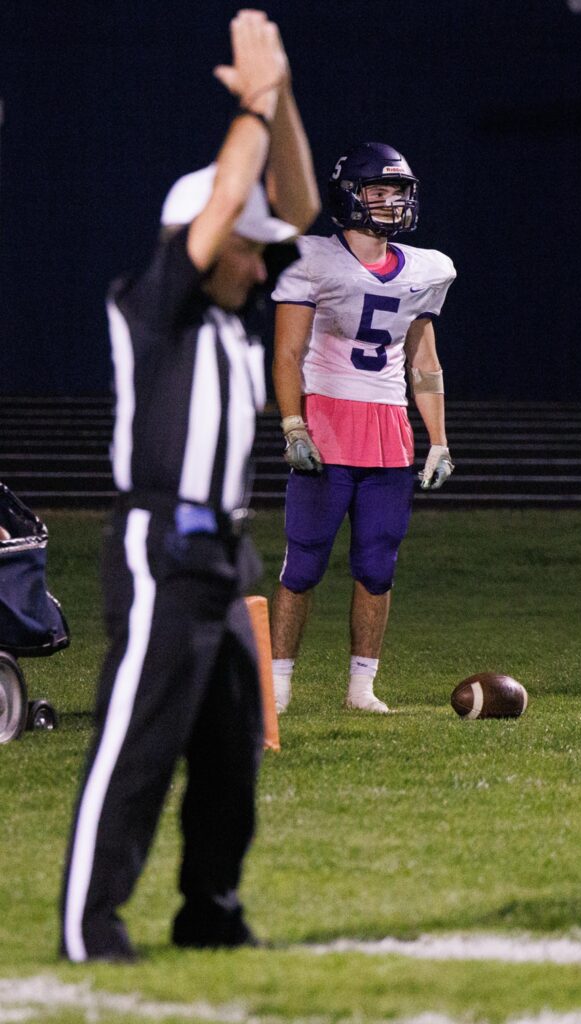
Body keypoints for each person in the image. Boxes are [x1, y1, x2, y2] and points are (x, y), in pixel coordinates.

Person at [60, 9, 319, 962]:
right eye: (241, 248)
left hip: (225, 550)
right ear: (197, 238)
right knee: (135, 746)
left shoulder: (227, 325)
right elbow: (229, 221)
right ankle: (91, 929)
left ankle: (208, 909)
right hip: (160, 543)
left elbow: (293, 207)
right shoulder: (155, 301)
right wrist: (249, 108)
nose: (261, 262)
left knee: (230, 755)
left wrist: (281, 95)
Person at [270, 141, 456, 715]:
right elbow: (287, 351)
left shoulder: (428, 268)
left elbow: (424, 364)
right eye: (379, 191)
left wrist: (440, 440)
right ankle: (277, 685)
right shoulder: (312, 259)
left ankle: (360, 688)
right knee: (304, 563)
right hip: (326, 418)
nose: (391, 203)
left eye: (398, 193)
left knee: (377, 563)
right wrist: (292, 425)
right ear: (350, 196)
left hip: (389, 430)